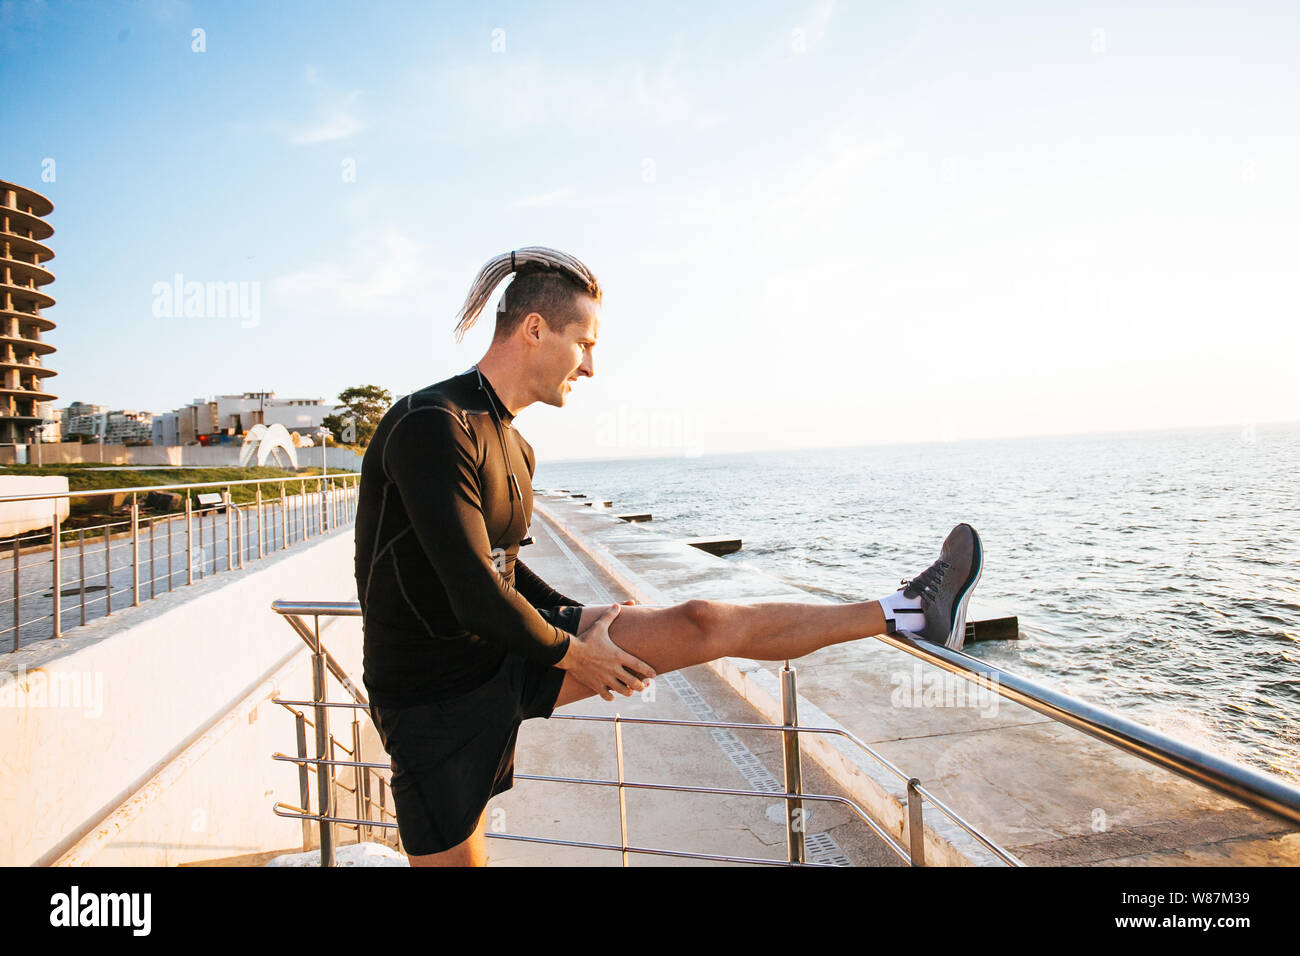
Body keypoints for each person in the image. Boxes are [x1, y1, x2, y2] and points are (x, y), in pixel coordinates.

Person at [353, 246, 983, 867]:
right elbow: (471, 589)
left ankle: (908, 611)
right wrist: (579, 652)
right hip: (430, 697)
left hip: (504, 651)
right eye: (586, 344)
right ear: (536, 329)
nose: (591, 368)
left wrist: (581, 613)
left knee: (704, 619)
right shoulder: (432, 424)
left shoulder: (515, 447)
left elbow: (503, 569)